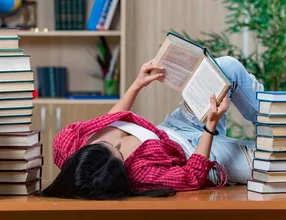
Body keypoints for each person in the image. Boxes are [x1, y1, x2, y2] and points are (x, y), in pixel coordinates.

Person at [36, 56, 264, 200]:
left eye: (110, 143)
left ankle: (275, 122)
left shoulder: (67, 142)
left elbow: (112, 118)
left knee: (226, 67)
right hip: (198, 154)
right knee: (270, 162)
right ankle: (279, 137)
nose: (120, 143)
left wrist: (137, 85)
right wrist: (210, 125)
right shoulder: (139, 176)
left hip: (173, 128)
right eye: (121, 154)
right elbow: (191, 176)